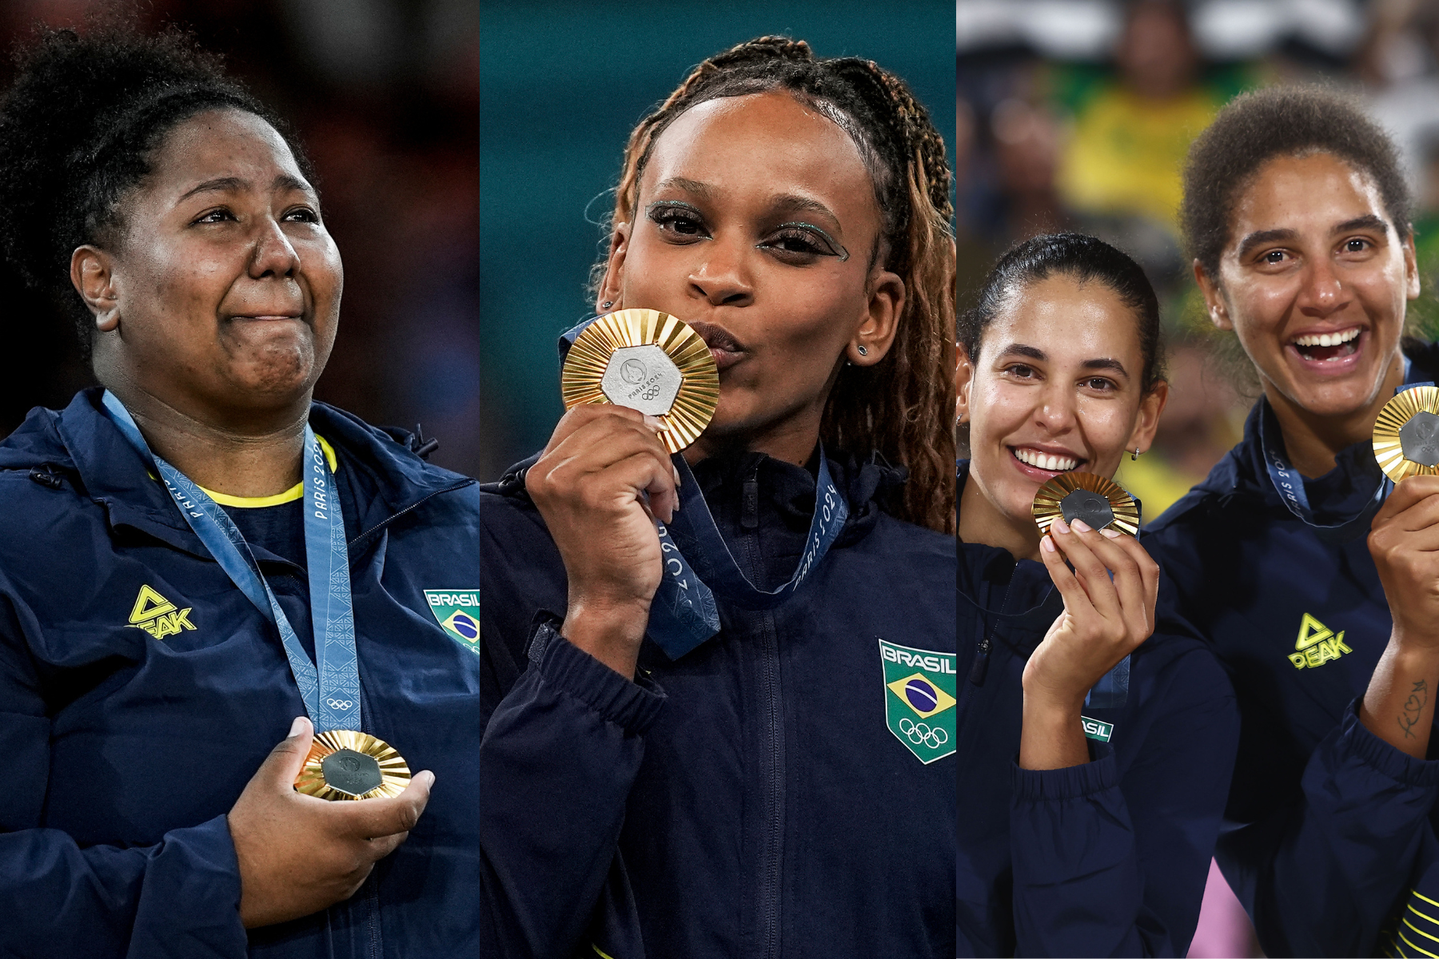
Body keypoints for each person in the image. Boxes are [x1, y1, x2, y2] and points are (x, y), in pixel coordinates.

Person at [0, 25, 480, 958]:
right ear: (102, 281)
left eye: (300, 215)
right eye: (217, 217)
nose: (278, 253)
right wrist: (221, 880)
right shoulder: (21, 542)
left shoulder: (457, 531)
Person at [478, 36, 957, 959]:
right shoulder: (462, 562)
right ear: (619, 264)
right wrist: (603, 618)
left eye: (792, 242)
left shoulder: (955, 602)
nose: (721, 275)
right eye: (683, 224)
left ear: (873, 316)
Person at [1144, 85, 1439, 957]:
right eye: (1273, 256)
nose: (1322, 290)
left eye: (1355, 244)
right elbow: (1308, 928)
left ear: (1408, 261)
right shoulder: (1189, 579)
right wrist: (1413, 656)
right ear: (1214, 292)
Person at [955, 232, 1238, 956]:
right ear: (962, 379)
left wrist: (1054, 708)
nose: (1053, 414)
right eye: (1021, 369)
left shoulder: (1180, 684)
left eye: (1098, 383)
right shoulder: (849, 562)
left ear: (1146, 416)